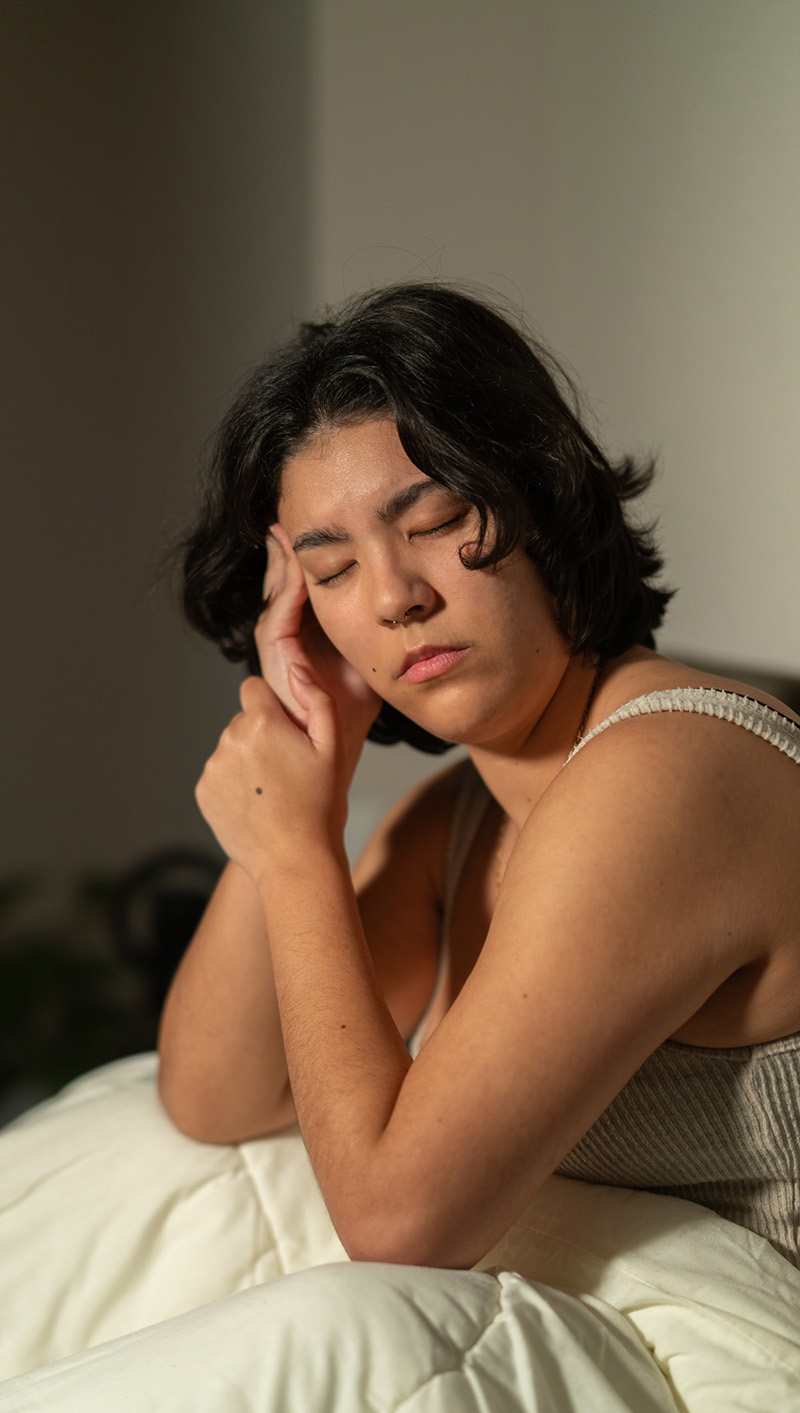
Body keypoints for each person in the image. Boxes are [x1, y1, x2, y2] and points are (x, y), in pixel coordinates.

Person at [157, 282, 800, 1272]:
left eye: (435, 519)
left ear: (540, 505)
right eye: (330, 572)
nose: (394, 596)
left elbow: (398, 1224)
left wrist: (295, 856)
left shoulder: (669, 772)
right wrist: (300, 759)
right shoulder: (456, 822)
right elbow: (217, 1096)